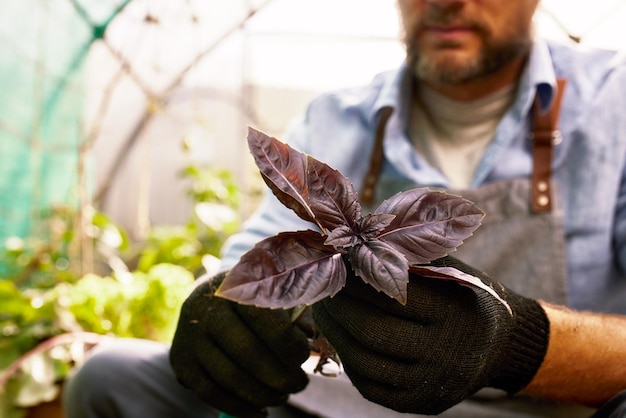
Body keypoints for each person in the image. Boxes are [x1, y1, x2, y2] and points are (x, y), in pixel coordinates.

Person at [63, 0, 626, 417]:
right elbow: (262, 250)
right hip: (351, 403)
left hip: (547, 409)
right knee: (109, 378)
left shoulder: (612, 106)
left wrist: (517, 343)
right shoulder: (336, 118)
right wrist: (225, 302)